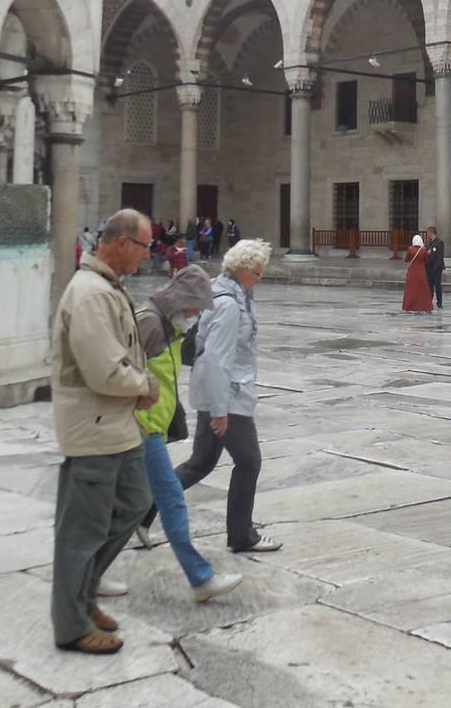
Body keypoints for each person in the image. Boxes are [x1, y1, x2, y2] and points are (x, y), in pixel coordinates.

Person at [48, 209, 158, 656]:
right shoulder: (91, 294)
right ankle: (71, 623)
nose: (148, 256)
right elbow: (103, 371)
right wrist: (144, 386)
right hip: (94, 427)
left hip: (117, 426)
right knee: (83, 528)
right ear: (121, 243)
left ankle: (85, 594)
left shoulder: (108, 288)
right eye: (145, 246)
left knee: (136, 501)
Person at [131, 266, 243, 603]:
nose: (196, 316)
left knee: (127, 505)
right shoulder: (149, 323)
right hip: (140, 426)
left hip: (152, 424)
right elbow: (128, 372)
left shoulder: (168, 325)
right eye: (196, 308)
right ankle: (200, 577)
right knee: (170, 498)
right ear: (184, 300)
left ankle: (89, 574)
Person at [179, 239, 281, 553]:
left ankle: (140, 512)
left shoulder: (234, 295)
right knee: (249, 461)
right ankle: (241, 535)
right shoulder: (228, 303)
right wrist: (220, 410)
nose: (260, 278)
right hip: (227, 394)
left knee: (200, 463)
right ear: (240, 269)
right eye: (256, 271)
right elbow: (216, 359)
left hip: (221, 391)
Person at [401, 231, 432, 312]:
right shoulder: (424, 249)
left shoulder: (410, 249)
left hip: (412, 272)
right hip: (421, 272)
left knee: (411, 289)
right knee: (423, 290)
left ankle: (409, 306)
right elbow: (426, 260)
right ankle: (424, 307)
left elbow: (406, 259)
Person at [424, 226, 445, 309]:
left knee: (437, 285)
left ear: (431, 232)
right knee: (429, 284)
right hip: (429, 267)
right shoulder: (429, 242)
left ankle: (439, 302)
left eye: (428, 233)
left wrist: (437, 267)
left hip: (436, 267)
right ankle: (429, 300)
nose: (427, 235)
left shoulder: (439, 242)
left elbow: (439, 256)